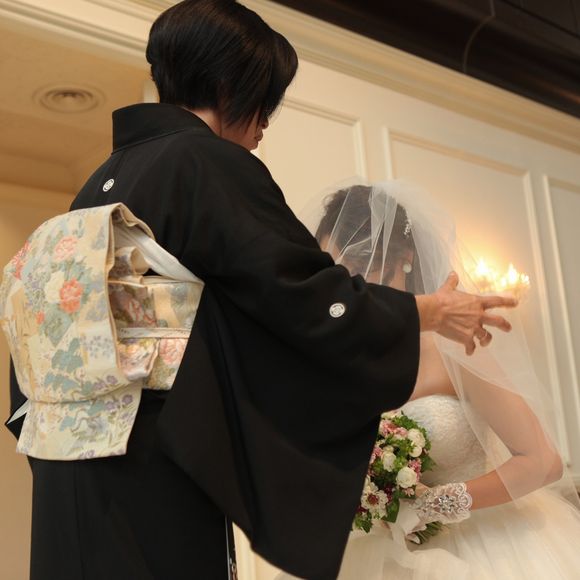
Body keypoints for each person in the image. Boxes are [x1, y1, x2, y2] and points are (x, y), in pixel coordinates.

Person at [5, 2, 516, 579]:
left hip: (65, 454)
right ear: (231, 85)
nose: (264, 125)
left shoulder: (100, 180)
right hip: (149, 459)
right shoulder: (205, 159)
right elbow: (296, 290)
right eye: (264, 101)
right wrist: (426, 310)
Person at [302, 181, 580, 580]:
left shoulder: (453, 346)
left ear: (405, 260)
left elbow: (543, 462)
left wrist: (436, 504)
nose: (352, 289)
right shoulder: (345, 361)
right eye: (338, 275)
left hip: (485, 549)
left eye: (362, 269)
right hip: (380, 555)